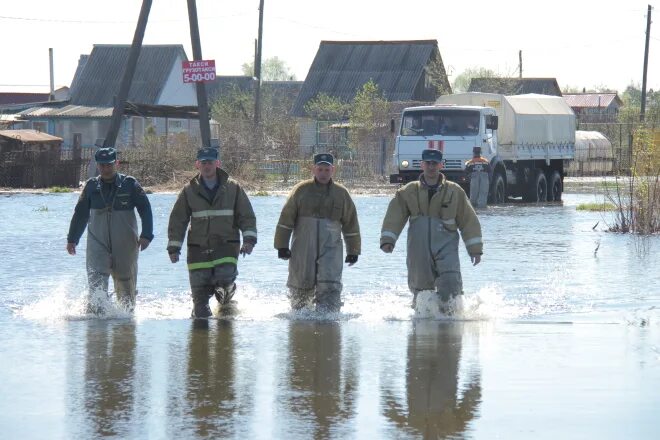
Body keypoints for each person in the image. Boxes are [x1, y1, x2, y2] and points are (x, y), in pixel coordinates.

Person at [380, 149, 482, 312]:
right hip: (418, 248)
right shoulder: (408, 191)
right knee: (421, 290)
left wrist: (475, 250)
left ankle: (451, 321)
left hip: (446, 245)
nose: (431, 167)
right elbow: (394, 216)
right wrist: (388, 240)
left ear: (441, 165)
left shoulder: (455, 191)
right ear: (422, 165)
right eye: (428, 163)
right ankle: (422, 320)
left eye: (435, 163)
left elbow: (468, 220)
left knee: (451, 283)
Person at [167, 147, 257, 318]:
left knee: (224, 288)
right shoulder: (188, 191)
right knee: (200, 309)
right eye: (203, 163)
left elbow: (246, 216)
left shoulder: (233, 188)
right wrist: (174, 248)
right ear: (197, 165)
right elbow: (178, 221)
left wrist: (249, 240)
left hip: (226, 247)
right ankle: (199, 336)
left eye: (210, 162)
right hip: (198, 250)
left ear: (217, 163)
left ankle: (227, 311)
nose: (207, 166)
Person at [67, 147, 153, 313]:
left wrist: (146, 235)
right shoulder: (91, 186)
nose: (106, 169)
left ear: (117, 163)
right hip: (97, 243)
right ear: (98, 166)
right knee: (96, 284)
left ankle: (125, 327)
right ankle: (96, 324)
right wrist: (72, 239)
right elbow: (80, 215)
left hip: (125, 244)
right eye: (102, 165)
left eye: (109, 165)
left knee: (125, 285)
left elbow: (146, 210)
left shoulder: (130, 184)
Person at [274, 153, 361, 313]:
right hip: (303, 246)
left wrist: (353, 251)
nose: (323, 173)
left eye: (327, 169)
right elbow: (286, 219)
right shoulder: (300, 190)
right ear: (313, 169)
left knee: (330, 282)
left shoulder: (341, 193)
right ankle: (300, 318)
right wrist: (281, 246)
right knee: (300, 283)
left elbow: (351, 223)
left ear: (332, 170)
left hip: (331, 248)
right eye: (320, 169)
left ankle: (329, 317)